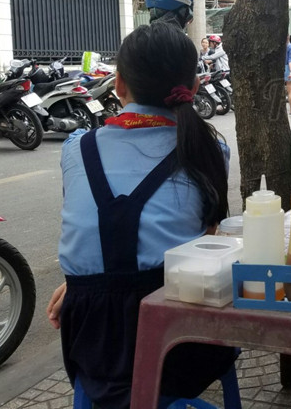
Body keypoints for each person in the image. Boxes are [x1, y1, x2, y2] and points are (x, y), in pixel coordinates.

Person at [46, 22, 236, 408]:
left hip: (92, 345)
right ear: (193, 87)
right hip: (183, 350)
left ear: (118, 85)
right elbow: (206, 245)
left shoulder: (76, 149)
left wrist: (84, 282)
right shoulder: (210, 151)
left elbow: (95, 231)